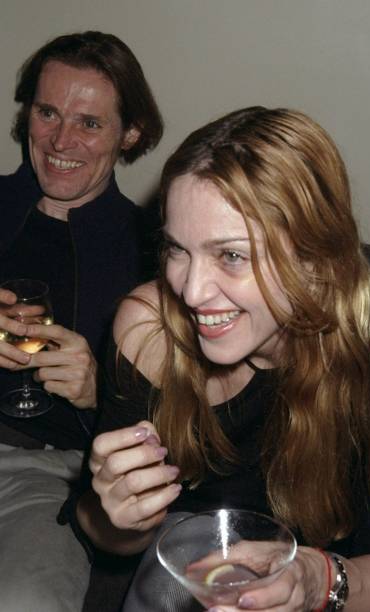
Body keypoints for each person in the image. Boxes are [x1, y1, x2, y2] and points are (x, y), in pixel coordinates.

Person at [67, 107, 370, 611]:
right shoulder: (149, 329)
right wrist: (121, 517)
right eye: (178, 249)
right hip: (192, 544)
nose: (191, 292)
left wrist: (314, 580)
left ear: (315, 258)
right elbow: (113, 539)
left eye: (232, 256)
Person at [0, 31, 162, 611]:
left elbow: (192, 426)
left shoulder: (157, 252)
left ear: (130, 134)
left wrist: (102, 394)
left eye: (89, 123)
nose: (61, 140)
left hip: (50, 473)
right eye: (47, 112)